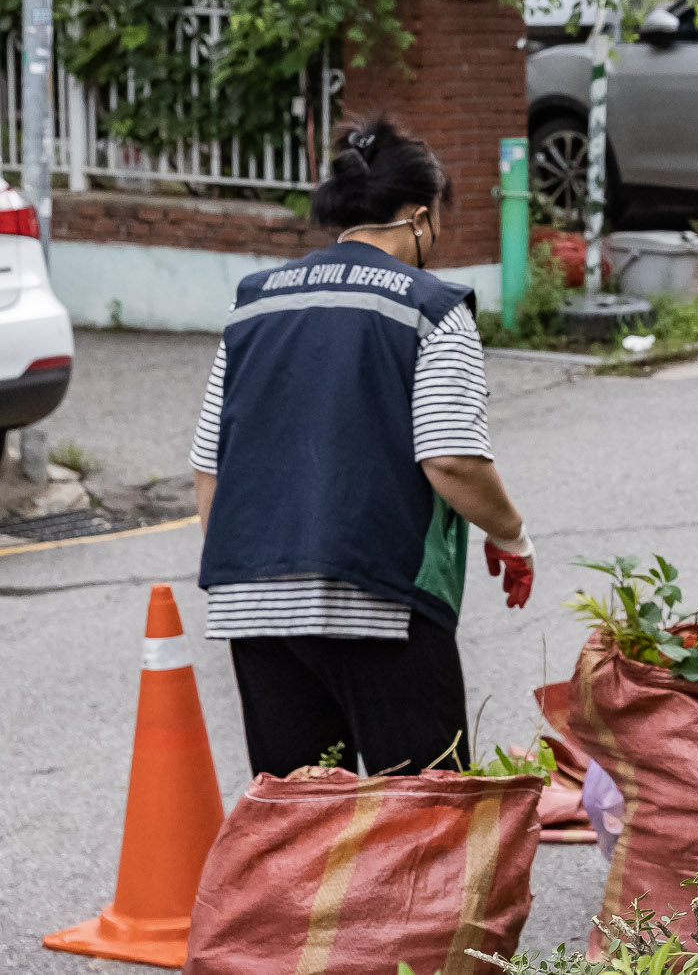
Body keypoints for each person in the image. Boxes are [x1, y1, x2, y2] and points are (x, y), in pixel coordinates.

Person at [191, 119, 534, 778]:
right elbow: (452, 459)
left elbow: (211, 467)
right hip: (377, 596)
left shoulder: (252, 305)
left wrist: (258, 569)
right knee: (423, 818)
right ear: (418, 217)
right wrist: (513, 536)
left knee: (301, 820)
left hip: (254, 602)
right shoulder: (431, 307)